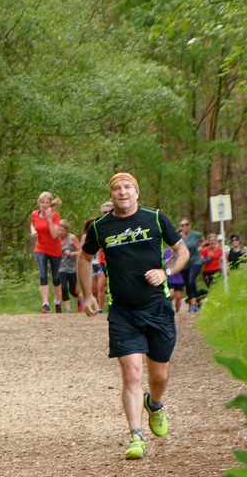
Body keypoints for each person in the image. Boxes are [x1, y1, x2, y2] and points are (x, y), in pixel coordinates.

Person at [78, 173, 188, 460]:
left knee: (159, 375)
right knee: (131, 373)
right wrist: (88, 294)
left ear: (136, 193)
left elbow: (182, 250)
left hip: (158, 307)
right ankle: (136, 436)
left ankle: (156, 403)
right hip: (123, 310)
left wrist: (166, 271)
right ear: (111, 195)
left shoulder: (155, 218)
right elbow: (85, 257)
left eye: (127, 187)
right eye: (116, 188)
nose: (122, 192)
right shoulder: (101, 227)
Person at [29, 191, 63, 313]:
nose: (44, 205)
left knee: (55, 278)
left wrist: (49, 218)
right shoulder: (34, 214)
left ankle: (57, 302)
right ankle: (45, 304)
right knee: (43, 275)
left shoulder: (55, 215)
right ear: (39, 202)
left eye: (47, 202)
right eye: (42, 202)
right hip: (41, 248)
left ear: (50, 204)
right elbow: (33, 224)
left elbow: (54, 235)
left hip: (54, 250)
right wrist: (33, 230)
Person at [179, 218, 204, 312]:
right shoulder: (178, 237)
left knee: (191, 281)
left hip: (195, 261)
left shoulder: (195, 234)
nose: (185, 226)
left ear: (189, 225)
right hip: (184, 264)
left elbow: (204, 240)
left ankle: (193, 302)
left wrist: (201, 246)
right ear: (180, 227)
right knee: (187, 284)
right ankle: (195, 301)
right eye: (182, 225)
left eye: (186, 224)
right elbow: (174, 249)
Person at [57, 219, 82, 312]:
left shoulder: (72, 238)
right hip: (61, 268)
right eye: (58, 230)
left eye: (62, 230)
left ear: (66, 230)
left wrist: (72, 253)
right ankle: (68, 309)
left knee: (72, 290)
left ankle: (79, 297)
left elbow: (81, 251)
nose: (59, 232)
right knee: (63, 288)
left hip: (73, 268)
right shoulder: (55, 238)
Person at [163, 246, 186, 312]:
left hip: (179, 277)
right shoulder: (165, 251)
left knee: (178, 297)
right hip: (169, 278)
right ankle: (168, 309)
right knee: (171, 294)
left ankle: (177, 311)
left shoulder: (180, 252)